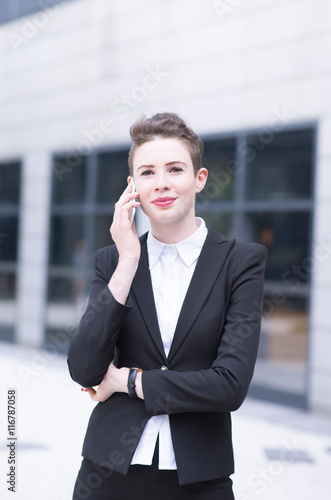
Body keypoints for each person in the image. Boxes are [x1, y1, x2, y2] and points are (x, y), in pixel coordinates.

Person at [67, 112, 267, 500]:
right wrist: (128, 261)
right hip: (106, 474)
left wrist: (129, 382)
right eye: (147, 172)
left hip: (199, 478)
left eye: (175, 169)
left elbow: (229, 385)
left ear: (200, 178)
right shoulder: (112, 261)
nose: (161, 184)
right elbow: (85, 368)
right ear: (132, 187)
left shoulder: (240, 263)